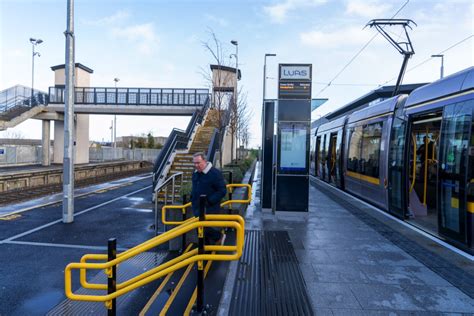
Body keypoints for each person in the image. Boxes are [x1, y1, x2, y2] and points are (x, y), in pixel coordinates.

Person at [191, 152, 227, 245]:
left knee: (204, 228)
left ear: (205, 161)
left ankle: (219, 237)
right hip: (197, 207)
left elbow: (222, 190)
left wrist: (209, 201)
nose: (196, 165)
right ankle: (204, 250)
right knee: (199, 230)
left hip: (209, 207)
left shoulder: (215, 173)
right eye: (194, 163)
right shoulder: (195, 173)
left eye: (198, 163)